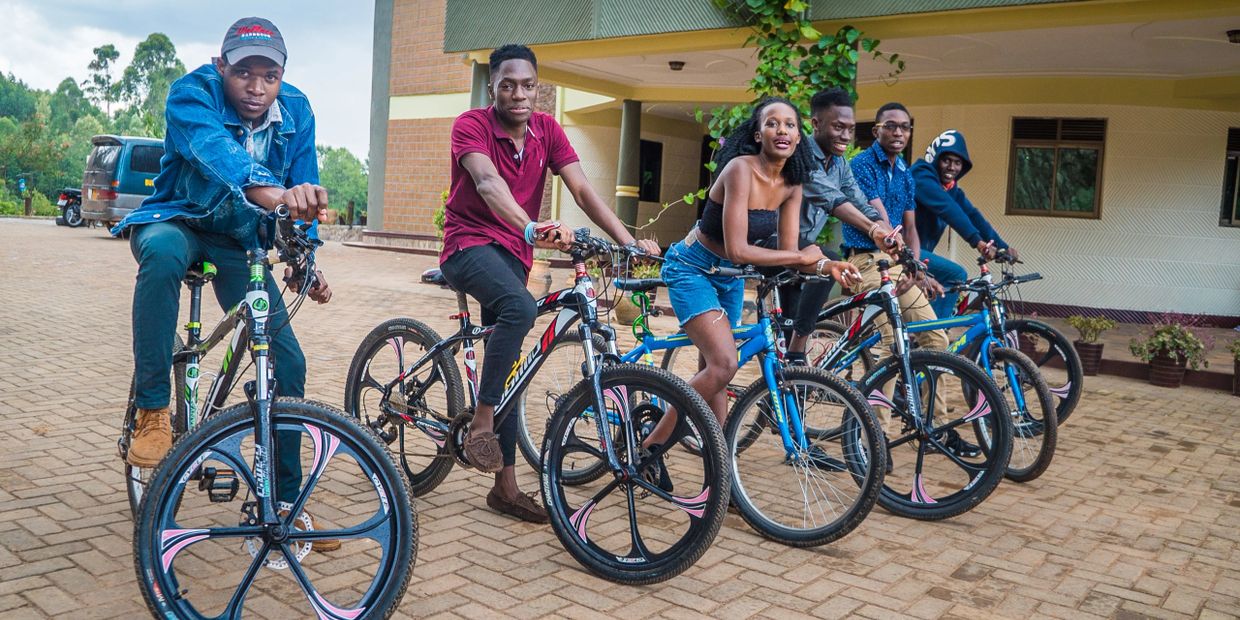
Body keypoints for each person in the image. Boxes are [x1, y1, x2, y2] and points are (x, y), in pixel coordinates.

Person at [113, 17, 338, 546]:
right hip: (179, 219)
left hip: (242, 242)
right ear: (222, 67)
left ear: (283, 75)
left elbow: (301, 190)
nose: (256, 88)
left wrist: (304, 257)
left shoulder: (298, 110)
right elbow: (219, 156)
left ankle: (283, 501)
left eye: (269, 75)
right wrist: (277, 195)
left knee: (287, 361)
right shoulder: (191, 94)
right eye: (243, 73)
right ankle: (152, 410)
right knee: (164, 255)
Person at [440, 44, 659, 523]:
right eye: (507, 84)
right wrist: (531, 227)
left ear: (537, 88)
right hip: (468, 245)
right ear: (493, 86)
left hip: (513, 255)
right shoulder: (471, 125)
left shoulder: (547, 130)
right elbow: (487, 183)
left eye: (528, 85)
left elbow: (582, 189)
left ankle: (505, 489)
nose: (519, 94)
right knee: (519, 310)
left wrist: (629, 241)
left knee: (513, 365)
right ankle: (482, 424)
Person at [648, 97, 858, 473]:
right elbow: (739, 248)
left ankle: (719, 470)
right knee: (725, 364)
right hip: (692, 268)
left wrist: (829, 266)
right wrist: (804, 256)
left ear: (799, 137)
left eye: (790, 125)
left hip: (730, 278)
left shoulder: (792, 184)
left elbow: (792, 254)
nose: (782, 131)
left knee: (714, 372)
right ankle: (651, 447)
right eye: (773, 124)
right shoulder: (739, 170)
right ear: (758, 133)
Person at [848, 103, 978, 457]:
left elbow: (910, 227)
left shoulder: (905, 173)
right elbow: (884, 221)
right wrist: (910, 265)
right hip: (867, 259)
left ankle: (932, 428)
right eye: (891, 126)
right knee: (893, 347)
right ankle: (874, 440)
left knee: (935, 339)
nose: (898, 133)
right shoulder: (861, 165)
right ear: (877, 130)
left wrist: (918, 267)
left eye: (905, 128)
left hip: (899, 260)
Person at [767, 87, 901, 364]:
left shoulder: (839, 163)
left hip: (800, 248)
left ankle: (785, 377)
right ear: (815, 124)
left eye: (850, 129)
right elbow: (830, 198)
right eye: (838, 127)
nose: (845, 136)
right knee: (829, 263)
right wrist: (872, 229)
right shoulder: (799, 151)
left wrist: (884, 228)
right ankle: (796, 353)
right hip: (774, 242)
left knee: (788, 330)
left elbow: (858, 199)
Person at [912, 129, 1017, 318]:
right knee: (955, 274)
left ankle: (922, 337)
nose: (952, 167)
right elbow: (948, 209)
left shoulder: (951, 189)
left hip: (919, 254)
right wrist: (977, 242)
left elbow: (972, 215)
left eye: (958, 163)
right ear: (935, 159)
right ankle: (936, 338)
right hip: (903, 249)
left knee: (936, 290)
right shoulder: (921, 175)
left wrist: (1003, 247)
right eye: (946, 160)